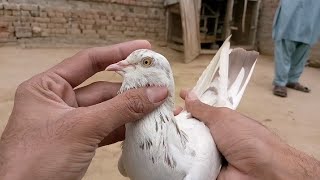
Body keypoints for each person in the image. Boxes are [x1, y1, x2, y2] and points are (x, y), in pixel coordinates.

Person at [0, 40, 319, 179]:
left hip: (197, 134)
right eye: (131, 62)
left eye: (144, 63)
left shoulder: (190, 171)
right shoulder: (128, 158)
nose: (123, 66)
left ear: (160, 76)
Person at [272, 0, 320, 97]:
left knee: (302, 50)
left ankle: (292, 80)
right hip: (291, 13)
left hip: (313, 15)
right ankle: (280, 83)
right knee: (285, 47)